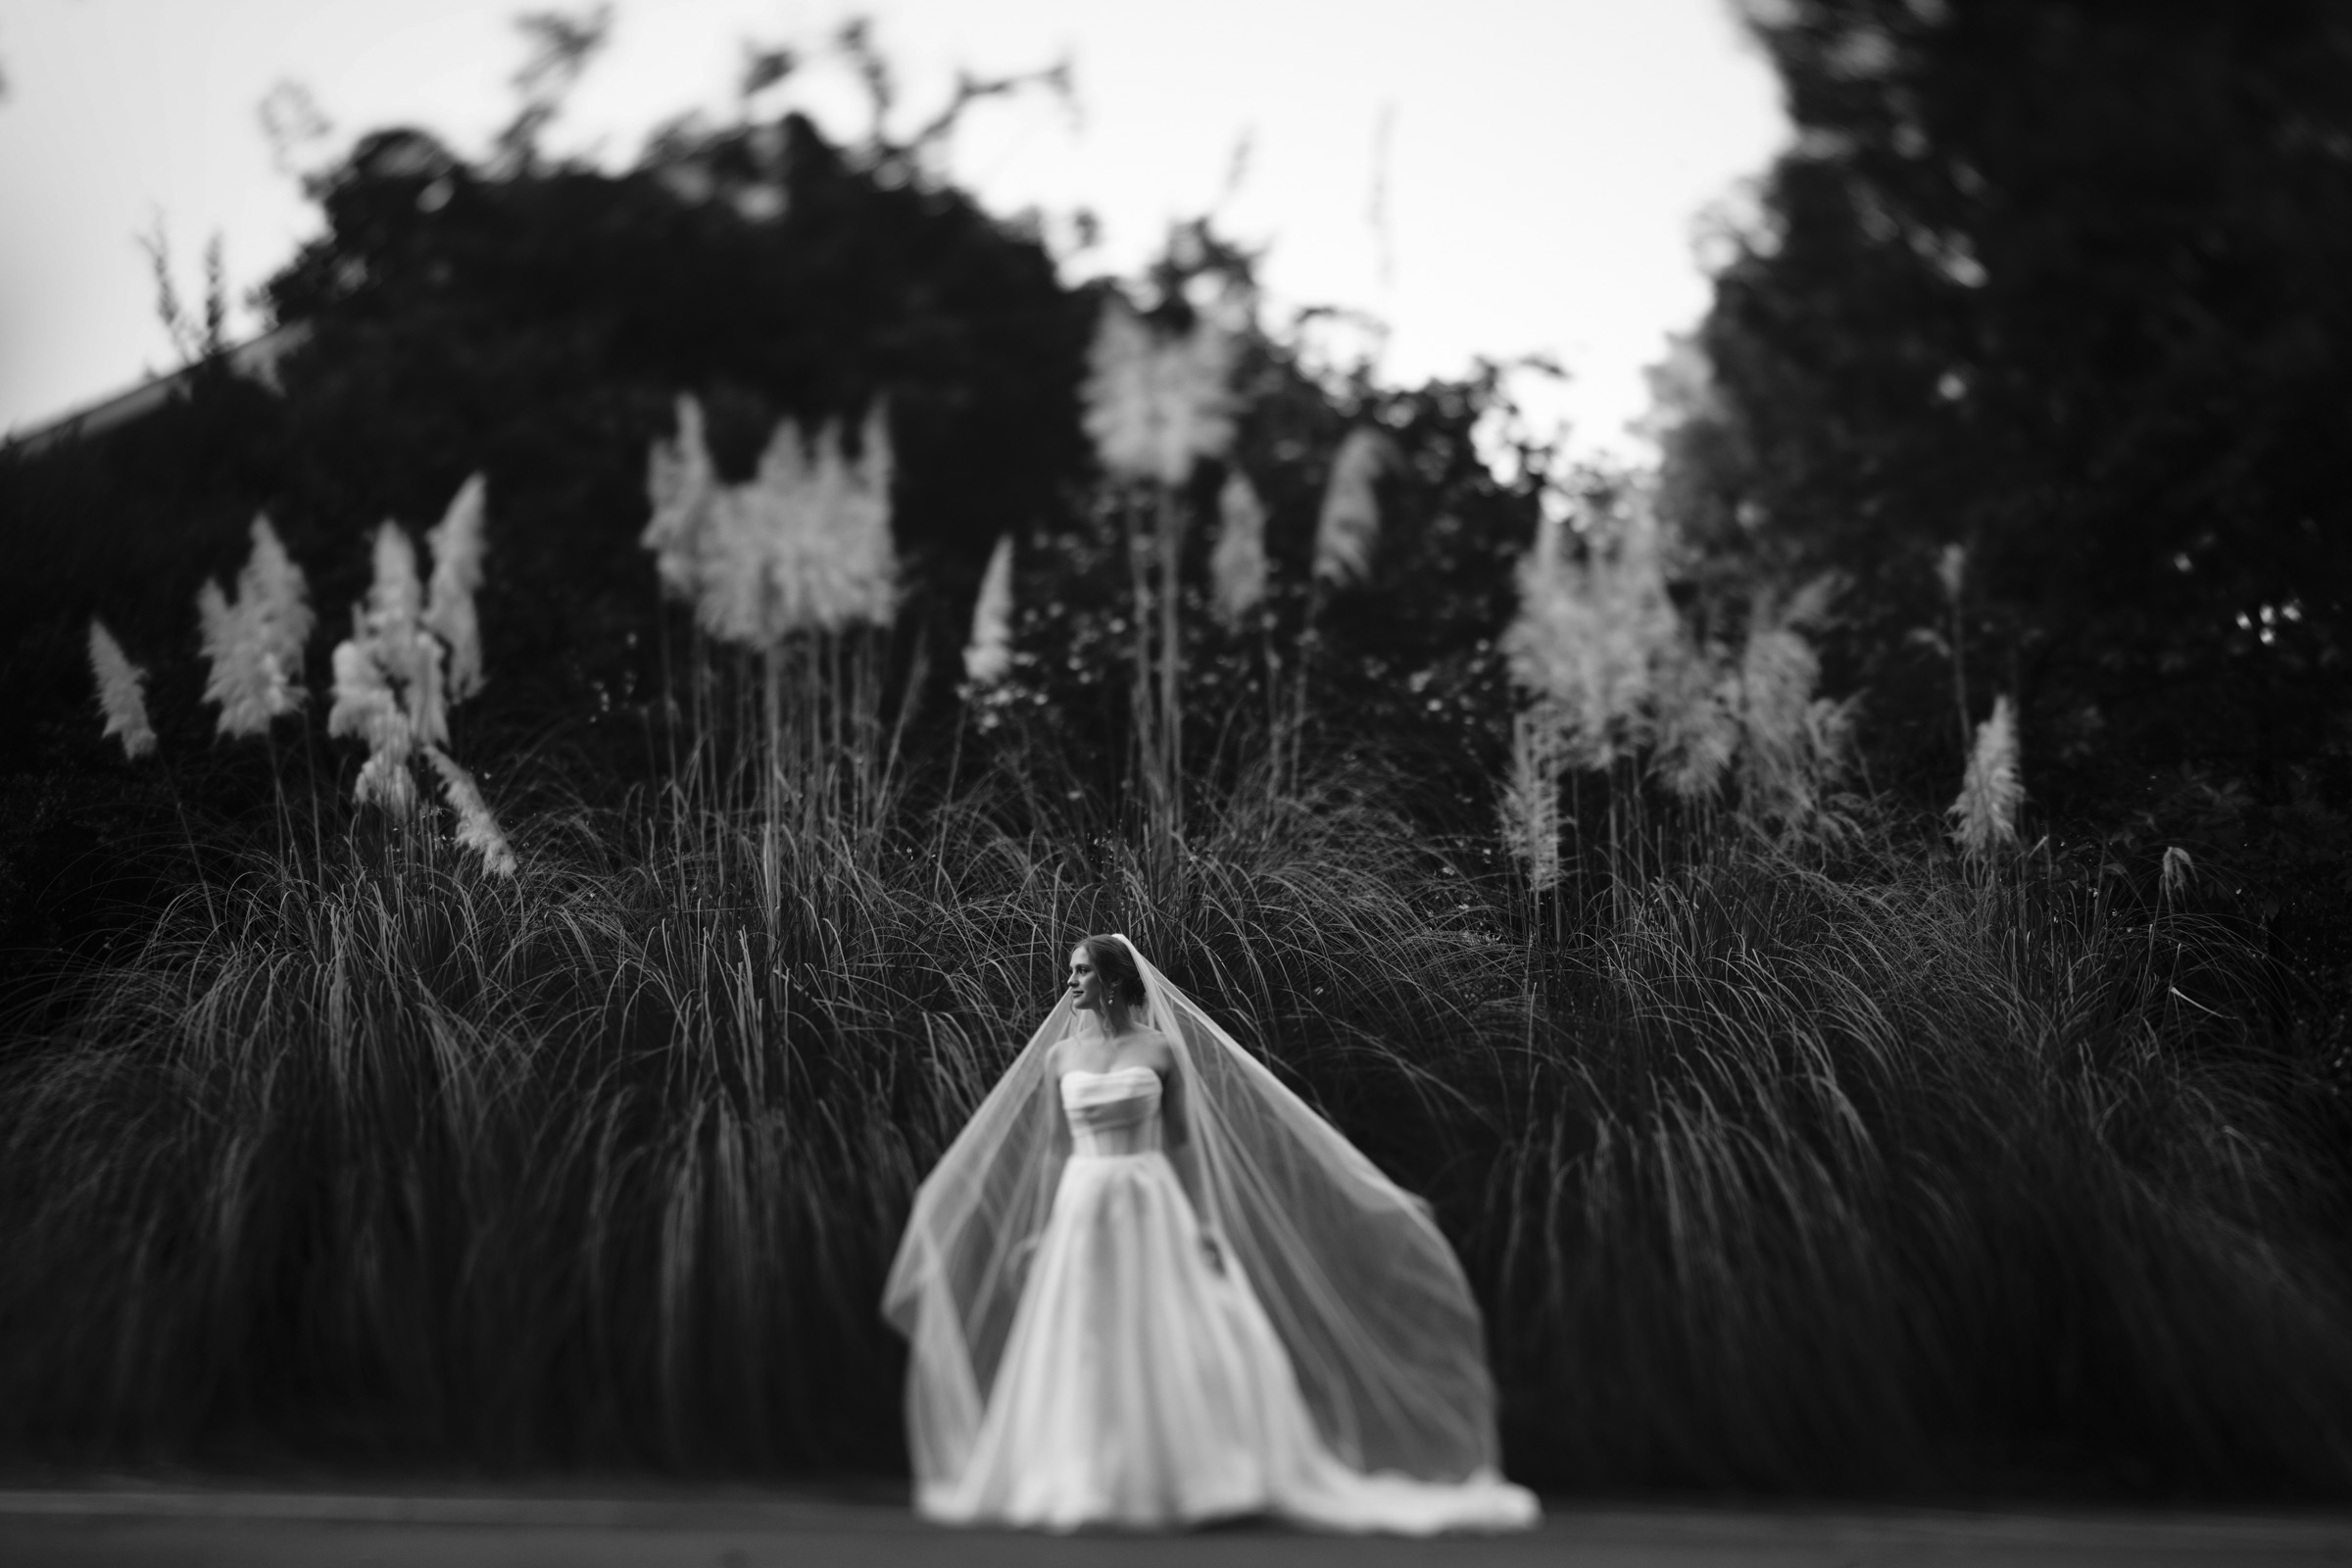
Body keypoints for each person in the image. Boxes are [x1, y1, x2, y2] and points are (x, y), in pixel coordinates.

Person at [883, 932, 1540, 1534]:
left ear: (1113, 980)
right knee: (1082, 1331)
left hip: (1148, 1198)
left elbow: (1185, 1145)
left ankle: (1185, 1472)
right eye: (1071, 972)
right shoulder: (1061, 1057)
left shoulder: (1159, 1050)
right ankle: (1083, 1473)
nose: (1070, 983)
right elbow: (1056, 1149)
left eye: (1081, 972)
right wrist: (1041, 1225)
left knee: (1161, 1327)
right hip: (1084, 1201)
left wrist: (1200, 1223)